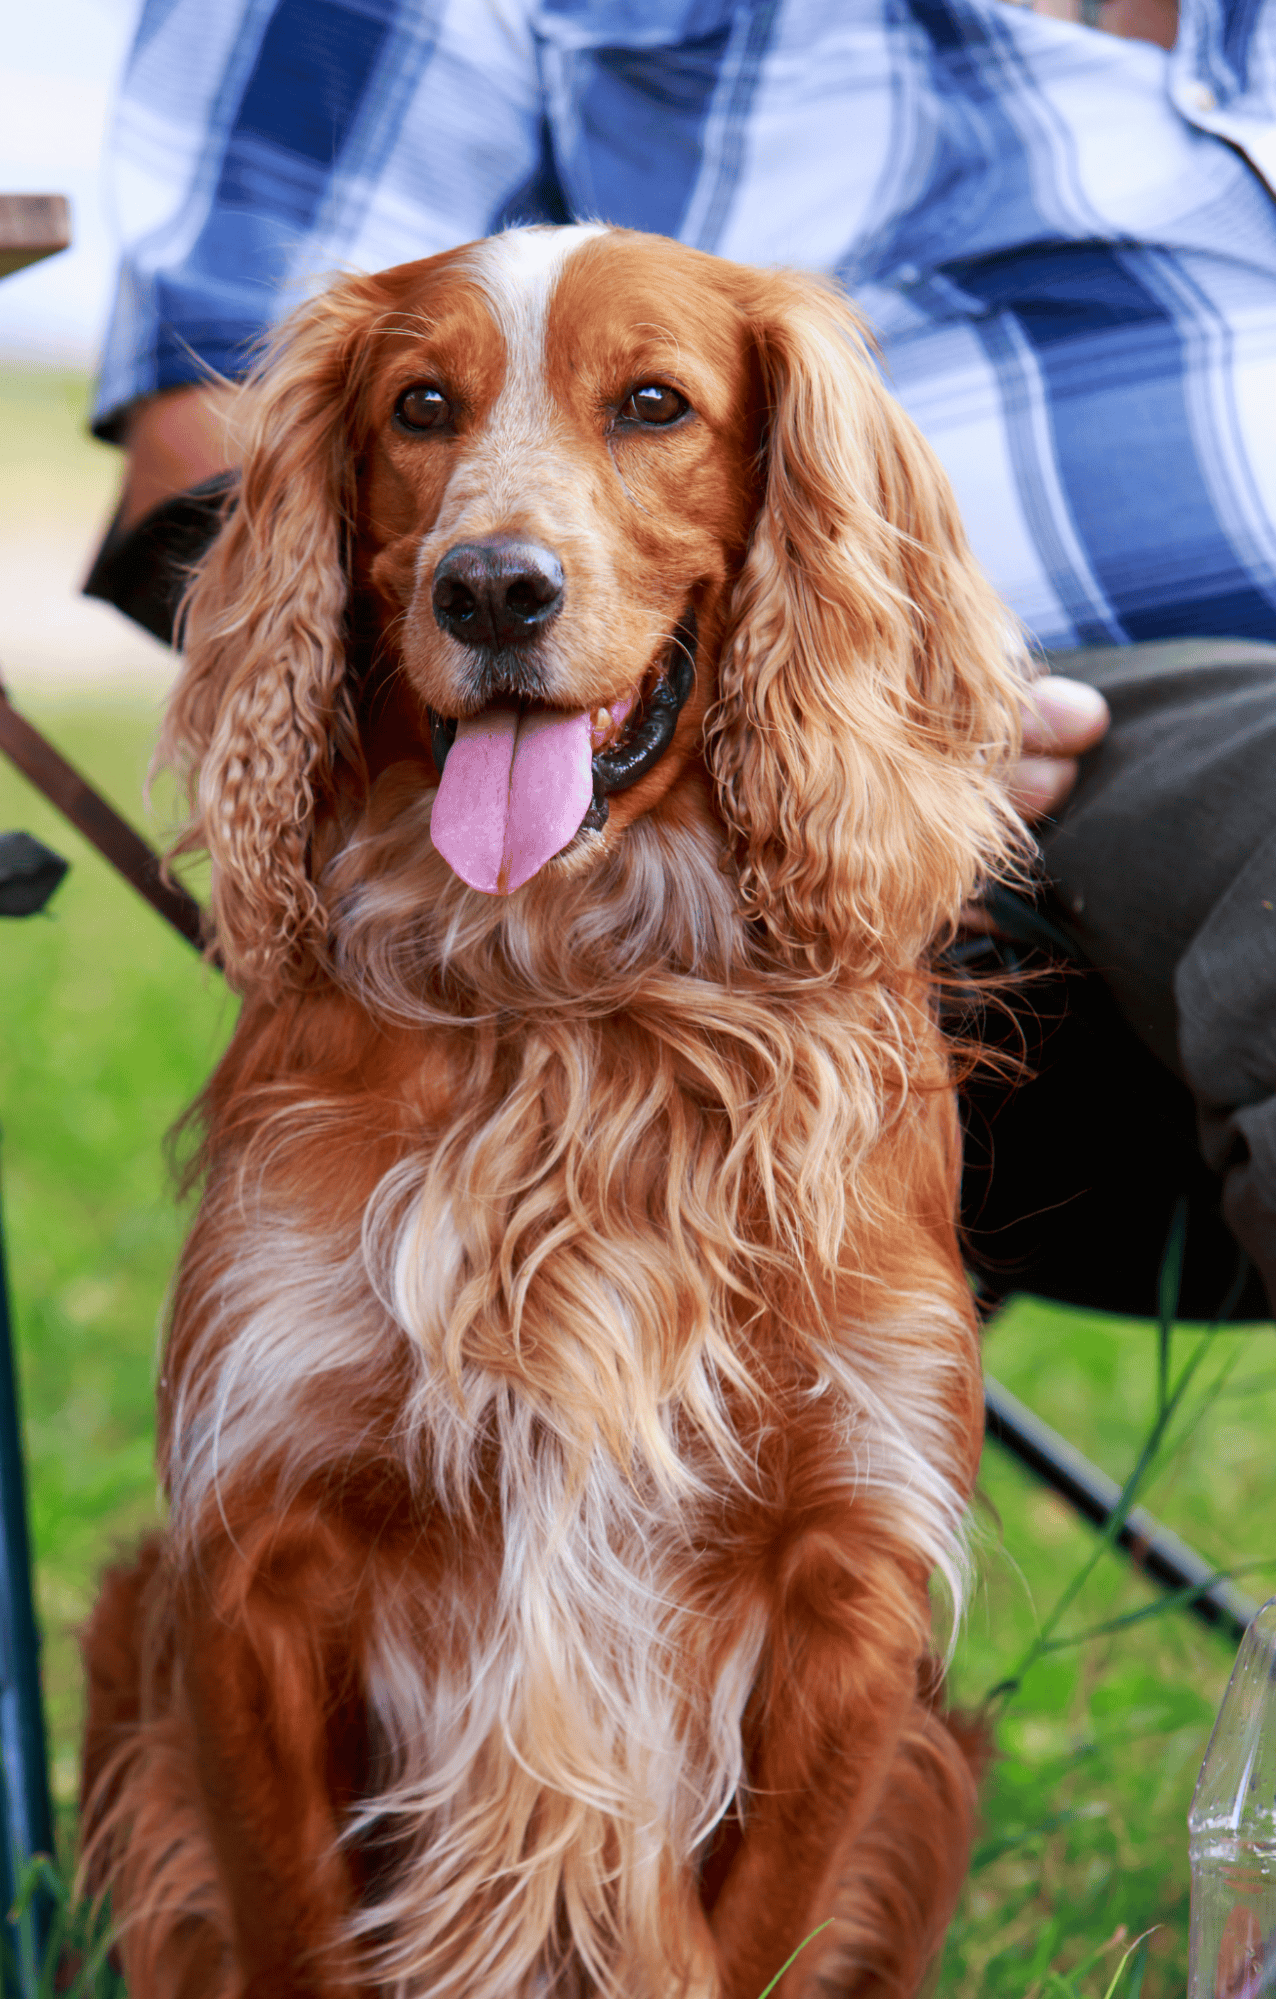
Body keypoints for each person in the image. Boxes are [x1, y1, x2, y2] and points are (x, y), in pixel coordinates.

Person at [85, 0, 1275, 1315]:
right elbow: (213, 440)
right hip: (1017, 728)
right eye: (426, 412)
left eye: (655, 407)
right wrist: (876, 700)